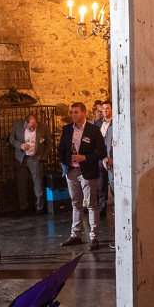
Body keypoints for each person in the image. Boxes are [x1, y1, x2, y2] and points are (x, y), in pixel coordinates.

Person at [58, 101, 108, 249]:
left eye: (76, 112)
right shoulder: (67, 129)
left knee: (92, 204)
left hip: (88, 172)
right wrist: (65, 164)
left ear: (84, 113)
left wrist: (84, 158)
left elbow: (102, 152)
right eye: (72, 112)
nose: (73, 115)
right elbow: (61, 149)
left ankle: (94, 237)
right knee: (76, 204)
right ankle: (76, 235)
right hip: (71, 172)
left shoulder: (93, 130)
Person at [8, 113, 50, 213]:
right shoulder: (17, 125)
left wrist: (43, 156)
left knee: (38, 184)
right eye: (30, 127)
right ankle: (24, 207)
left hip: (35, 158)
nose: (32, 129)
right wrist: (20, 145)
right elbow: (11, 139)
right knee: (21, 183)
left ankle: (39, 208)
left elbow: (48, 143)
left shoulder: (43, 127)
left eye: (34, 127)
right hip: (21, 158)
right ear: (25, 123)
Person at [98, 101, 114, 217]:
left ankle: (115, 209)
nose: (105, 111)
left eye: (107, 108)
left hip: (110, 157)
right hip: (100, 156)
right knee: (101, 184)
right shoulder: (98, 123)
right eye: (103, 109)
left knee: (113, 183)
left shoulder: (116, 123)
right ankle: (102, 209)